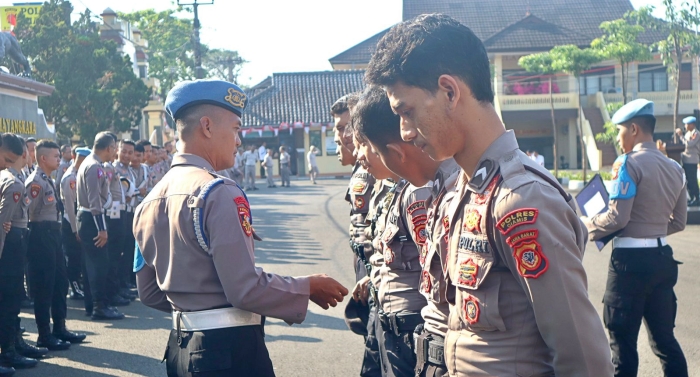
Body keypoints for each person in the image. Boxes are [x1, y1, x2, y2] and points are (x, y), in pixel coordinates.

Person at [365, 14, 613, 376]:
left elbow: (584, 358)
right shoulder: (456, 191)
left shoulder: (522, 198)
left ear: (449, 92)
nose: (404, 132)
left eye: (407, 111)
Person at [132, 79, 348, 377]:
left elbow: (148, 292)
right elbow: (244, 288)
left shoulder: (147, 202)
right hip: (228, 353)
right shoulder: (218, 192)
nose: (239, 140)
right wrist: (306, 286)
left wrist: (195, 308)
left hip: (181, 351)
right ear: (207, 127)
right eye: (235, 128)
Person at [354, 87, 461, 376]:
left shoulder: (420, 191)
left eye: (368, 147)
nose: (359, 156)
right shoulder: (401, 188)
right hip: (400, 325)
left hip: (415, 328)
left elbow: (434, 270)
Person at [583, 99, 688, 377]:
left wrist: (585, 226)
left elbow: (618, 218)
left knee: (622, 346)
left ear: (633, 129)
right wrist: (650, 230)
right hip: (662, 258)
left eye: (619, 132)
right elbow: (678, 221)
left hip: (629, 265)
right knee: (665, 342)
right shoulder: (675, 169)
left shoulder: (627, 163)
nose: (618, 139)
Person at [26, 140, 86, 350]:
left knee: (60, 283)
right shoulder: (35, 182)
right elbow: (26, 213)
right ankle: (44, 334)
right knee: (45, 286)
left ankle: (59, 327)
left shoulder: (47, 180)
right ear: (43, 158)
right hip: (41, 236)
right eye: (56, 156)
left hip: (54, 235)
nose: (59, 160)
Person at [351, 119, 399, 377]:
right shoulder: (388, 184)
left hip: (402, 314)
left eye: (362, 144)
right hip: (380, 296)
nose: (356, 152)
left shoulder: (413, 188)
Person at [0, 134, 41, 374]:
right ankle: (7, 350)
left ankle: (12, 343)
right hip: (9, 245)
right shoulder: (12, 181)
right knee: (9, 298)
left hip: (13, 238)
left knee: (12, 297)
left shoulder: (14, 177)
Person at [77, 132, 124, 320]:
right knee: (99, 265)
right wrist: (102, 228)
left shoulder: (90, 163)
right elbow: (94, 202)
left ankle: (93, 305)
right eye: (114, 148)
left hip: (88, 217)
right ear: (109, 147)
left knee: (93, 265)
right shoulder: (94, 166)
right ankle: (99, 306)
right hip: (92, 219)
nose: (115, 152)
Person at [61, 146, 89, 301]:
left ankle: (78, 284)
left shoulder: (79, 174)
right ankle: (74, 288)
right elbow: (70, 207)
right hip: (70, 222)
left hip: (78, 221)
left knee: (79, 257)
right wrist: (75, 229)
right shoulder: (70, 178)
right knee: (73, 257)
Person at [113, 140, 138, 301]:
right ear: (118, 150)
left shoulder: (131, 170)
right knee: (118, 253)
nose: (127, 155)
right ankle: (117, 287)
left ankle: (123, 284)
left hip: (130, 214)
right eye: (124, 151)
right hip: (117, 215)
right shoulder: (113, 169)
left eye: (130, 152)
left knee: (127, 251)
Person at [676, 116, 700, 206]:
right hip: (685, 160)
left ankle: (697, 198)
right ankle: (692, 198)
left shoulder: (696, 133)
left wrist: (681, 136)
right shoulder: (687, 134)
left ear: (692, 125)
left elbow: (689, 144)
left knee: (692, 180)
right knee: (688, 180)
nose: (685, 126)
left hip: (692, 160)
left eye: (687, 124)